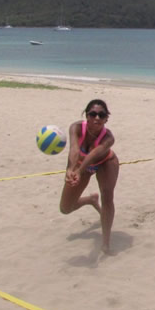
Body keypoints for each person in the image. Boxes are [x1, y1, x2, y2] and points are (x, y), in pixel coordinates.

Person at [59, 99, 119, 254]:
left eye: (101, 115)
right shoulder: (76, 127)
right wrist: (70, 169)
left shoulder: (109, 138)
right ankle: (90, 200)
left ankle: (105, 244)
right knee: (65, 209)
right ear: (86, 115)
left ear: (106, 118)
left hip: (106, 162)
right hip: (82, 165)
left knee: (107, 197)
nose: (97, 118)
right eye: (93, 114)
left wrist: (79, 171)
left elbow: (93, 155)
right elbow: (74, 149)